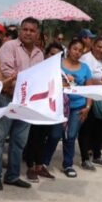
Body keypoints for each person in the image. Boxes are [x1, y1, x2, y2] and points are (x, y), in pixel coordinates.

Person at [0, 17, 44, 191]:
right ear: (20, 30)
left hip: (25, 103)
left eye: (32, 30)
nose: (28, 33)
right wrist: (27, 80)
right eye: (25, 29)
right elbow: (7, 73)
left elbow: (40, 78)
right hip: (7, 98)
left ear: (37, 34)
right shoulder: (9, 47)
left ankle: (12, 175)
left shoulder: (39, 54)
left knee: (19, 141)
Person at [41, 38, 95, 178]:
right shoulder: (57, 64)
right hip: (59, 105)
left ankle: (68, 164)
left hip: (78, 106)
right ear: (69, 49)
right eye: (74, 49)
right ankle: (44, 163)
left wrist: (88, 107)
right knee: (54, 135)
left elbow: (90, 89)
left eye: (80, 51)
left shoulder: (85, 68)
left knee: (71, 136)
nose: (77, 52)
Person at [24, 42, 64, 181]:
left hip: (49, 109)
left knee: (44, 138)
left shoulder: (59, 72)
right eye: (52, 54)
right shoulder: (38, 68)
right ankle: (30, 167)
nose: (54, 57)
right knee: (33, 138)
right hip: (35, 108)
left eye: (58, 56)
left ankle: (39, 166)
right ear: (46, 54)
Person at [78, 36, 102, 170]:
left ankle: (97, 155)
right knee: (86, 128)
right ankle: (85, 158)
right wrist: (101, 84)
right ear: (93, 46)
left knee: (100, 128)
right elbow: (86, 78)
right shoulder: (86, 59)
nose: (101, 50)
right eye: (99, 46)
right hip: (88, 98)